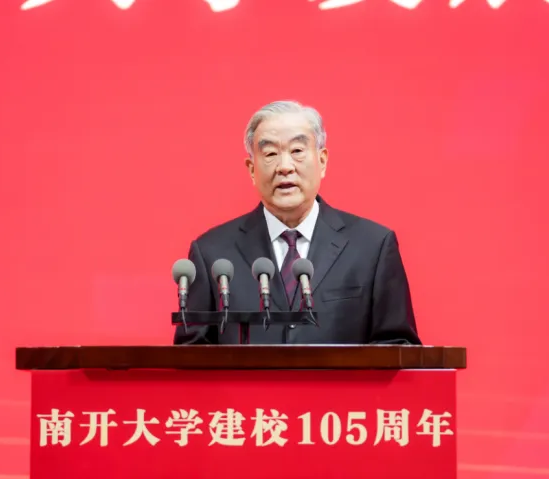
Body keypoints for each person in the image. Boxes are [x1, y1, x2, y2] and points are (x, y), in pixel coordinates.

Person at [173, 100, 421, 346]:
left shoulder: (373, 247)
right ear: (251, 169)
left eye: (297, 151)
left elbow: (398, 347)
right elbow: (190, 355)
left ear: (322, 161)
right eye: (270, 154)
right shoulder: (212, 253)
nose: (285, 167)